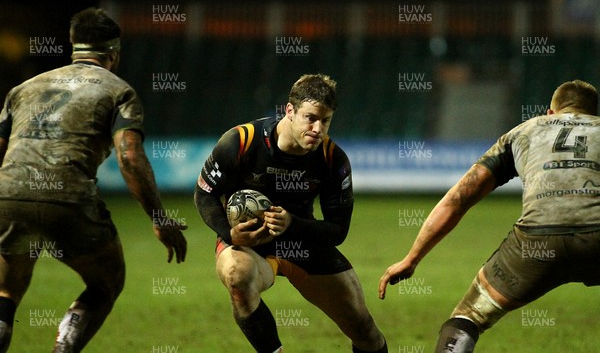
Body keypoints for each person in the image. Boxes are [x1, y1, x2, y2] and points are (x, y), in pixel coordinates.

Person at [0, 7, 187, 352]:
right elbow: (129, 157)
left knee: (7, 293)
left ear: (73, 45)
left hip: (9, 195)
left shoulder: (22, 89)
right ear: (113, 53)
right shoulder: (119, 91)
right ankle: (64, 348)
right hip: (67, 199)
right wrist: (159, 218)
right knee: (105, 284)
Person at [379, 79, 600, 352]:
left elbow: (459, 198)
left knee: (468, 317)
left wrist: (412, 258)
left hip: (536, 241)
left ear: (550, 113)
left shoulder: (523, 132)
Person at [194, 74, 387, 352]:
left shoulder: (333, 160)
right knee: (237, 275)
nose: (318, 129)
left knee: (364, 330)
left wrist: (292, 224)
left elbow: (338, 230)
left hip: (302, 241)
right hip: (249, 245)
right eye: (310, 118)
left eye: (326, 120)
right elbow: (204, 194)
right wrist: (230, 233)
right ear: (289, 110)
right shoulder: (241, 141)